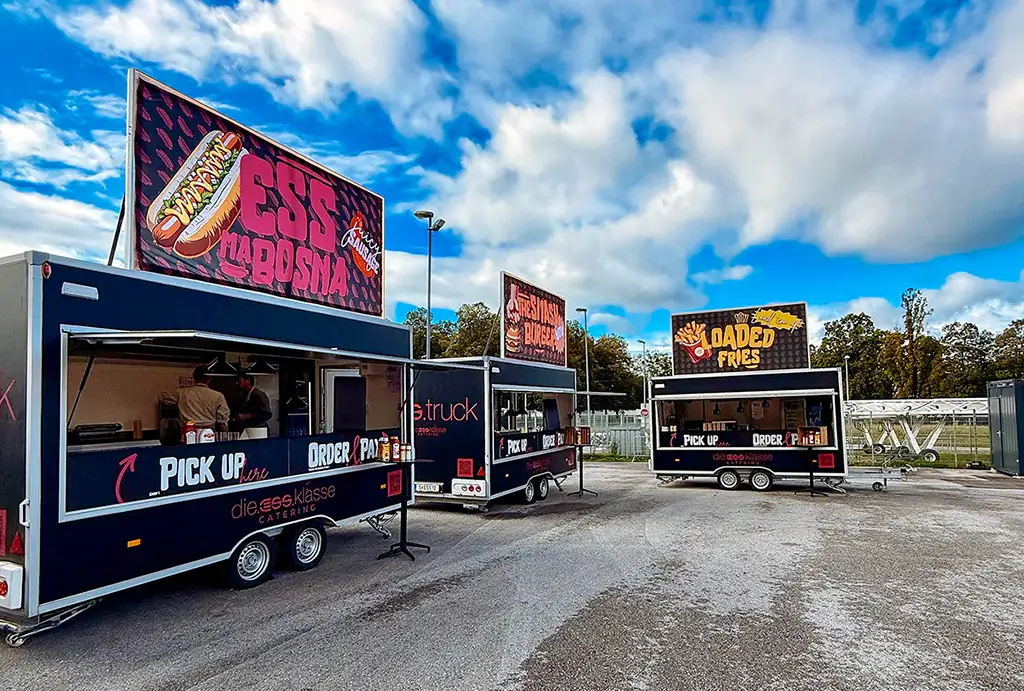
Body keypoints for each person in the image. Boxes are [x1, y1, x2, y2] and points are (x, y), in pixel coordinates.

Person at [159, 366, 230, 436]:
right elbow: (222, 422)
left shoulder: (182, 393)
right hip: (209, 434)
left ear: (194, 378)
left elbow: (162, 397)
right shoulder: (218, 396)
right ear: (209, 379)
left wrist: (182, 387)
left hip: (187, 432)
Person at [232, 374, 273, 439]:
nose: (237, 383)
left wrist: (247, 416)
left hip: (259, 430)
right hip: (247, 428)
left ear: (248, 381)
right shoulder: (243, 395)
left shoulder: (259, 395)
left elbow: (267, 414)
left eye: (239, 380)